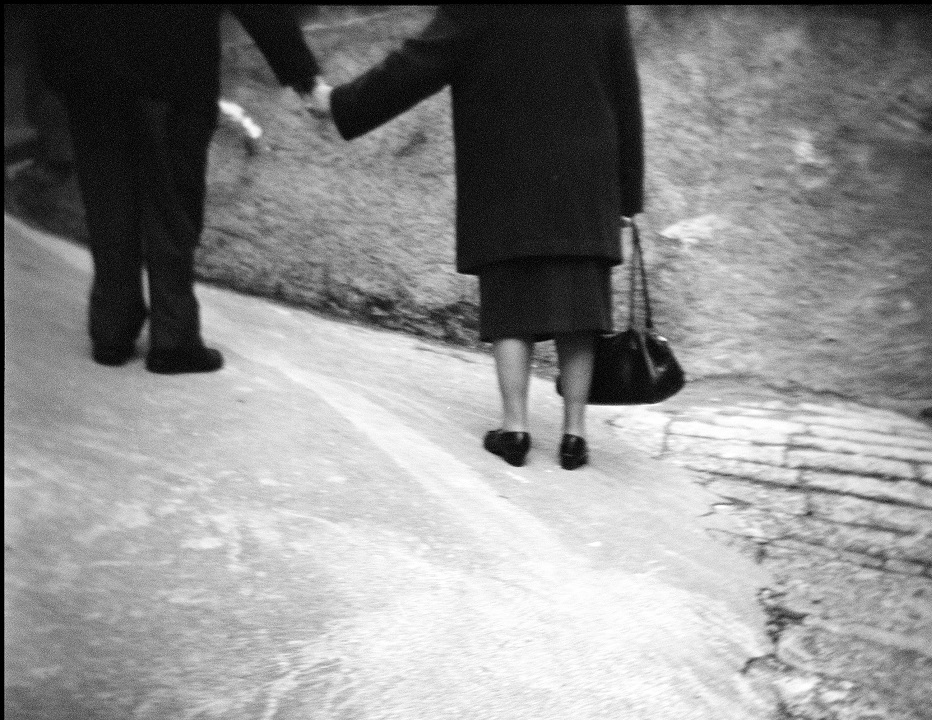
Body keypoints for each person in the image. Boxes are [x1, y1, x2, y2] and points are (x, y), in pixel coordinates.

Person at [328, 5, 643, 469]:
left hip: (505, 168)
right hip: (584, 171)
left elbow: (418, 64)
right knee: (580, 301)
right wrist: (628, 195)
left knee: (511, 298)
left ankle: (514, 429)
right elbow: (626, 96)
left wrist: (342, 104)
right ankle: (574, 436)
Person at [33, 5, 332, 374]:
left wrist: (55, 66)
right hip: (174, 63)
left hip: (90, 65)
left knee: (107, 200)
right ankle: (173, 339)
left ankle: (112, 329)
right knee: (173, 205)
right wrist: (304, 76)